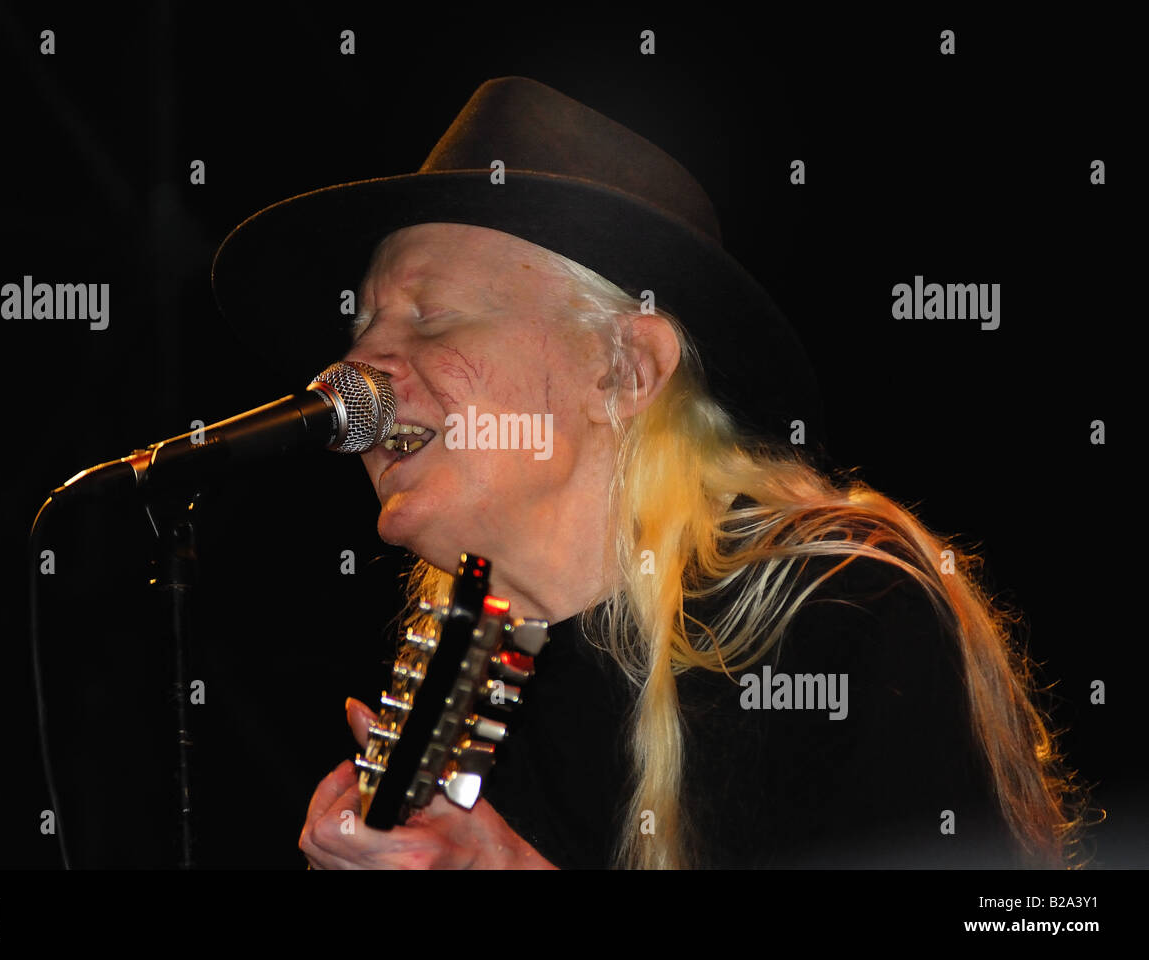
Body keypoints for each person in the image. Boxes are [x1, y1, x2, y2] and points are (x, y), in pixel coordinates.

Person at [211, 78, 1089, 869]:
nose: (355, 371)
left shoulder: (840, 612)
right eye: (361, 328)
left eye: (430, 319)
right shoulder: (460, 693)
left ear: (627, 371)